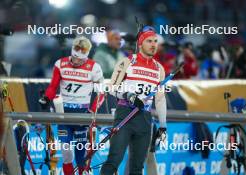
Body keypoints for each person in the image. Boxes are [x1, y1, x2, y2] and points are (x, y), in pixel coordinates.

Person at [100, 26, 167, 175]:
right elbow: (111, 88)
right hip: (125, 114)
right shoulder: (128, 61)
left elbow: (161, 99)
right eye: (149, 41)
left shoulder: (159, 69)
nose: (153, 44)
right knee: (114, 160)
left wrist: (163, 126)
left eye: (155, 41)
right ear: (141, 43)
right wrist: (128, 96)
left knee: (137, 166)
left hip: (145, 118)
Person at [38, 36, 104, 175]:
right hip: (64, 115)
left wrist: (92, 111)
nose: (77, 61)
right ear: (72, 51)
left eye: (81, 59)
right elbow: (53, 87)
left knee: (81, 155)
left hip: (82, 116)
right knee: (66, 153)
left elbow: (102, 93)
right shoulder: (60, 64)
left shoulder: (94, 67)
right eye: (75, 58)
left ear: (87, 56)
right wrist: (46, 98)